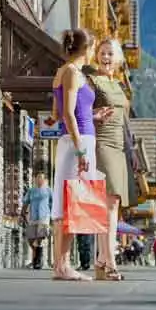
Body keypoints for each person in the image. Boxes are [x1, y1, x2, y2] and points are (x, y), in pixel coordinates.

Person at [50, 28, 100, 282]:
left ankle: (61, 265)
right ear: (86, 49)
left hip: (72, 139)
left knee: (67, 202)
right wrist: (81, 148)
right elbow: (68, 114)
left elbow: (57, 113)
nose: (93, 53)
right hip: (77, 141)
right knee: (72, 203)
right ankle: (63, 265)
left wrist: (93, 116)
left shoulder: (63, 72)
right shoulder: (72, 72)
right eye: (93, 48)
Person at [84, 38, 130, 281]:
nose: (106, 57)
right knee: (109, 205)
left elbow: (124, 120)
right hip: (102, 144)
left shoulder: (119, 84)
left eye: (110, 53)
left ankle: (102, 259)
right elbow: (78, 111)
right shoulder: (93, 81)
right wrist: (94, 115)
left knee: (112, 205)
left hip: (120, 146)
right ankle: (109, 261)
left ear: (118, 58)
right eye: (102, 53)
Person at [22, 173, 52, 270]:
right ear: (35, 179)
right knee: (31, 239)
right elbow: (26, 201)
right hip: (33, 217)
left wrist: (52, 215)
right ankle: (37, 256)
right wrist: (23, 213)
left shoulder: (48, 190)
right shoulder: (31, 191)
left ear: (44, 180)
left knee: (40, 238)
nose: (39, 179)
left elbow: (53, 202)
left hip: (44, 216)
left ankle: (37, 261)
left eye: (41, 178)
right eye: (37, 177)